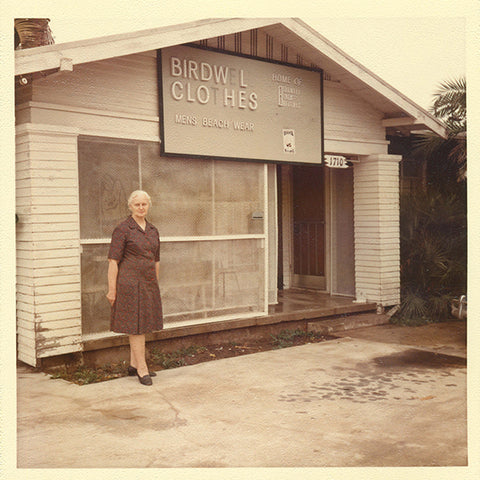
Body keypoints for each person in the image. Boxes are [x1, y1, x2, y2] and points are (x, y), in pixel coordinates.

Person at [106, 190, 163, 385]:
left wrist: (155, 284)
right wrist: (111, 289)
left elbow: (156, 260)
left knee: (142, 324)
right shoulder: (123, 229)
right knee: (136, 327)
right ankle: (142, 368)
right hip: (129, 284)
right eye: (137, 204)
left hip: (148, 284)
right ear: (130, 206)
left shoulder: (153, 230)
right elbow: (113, 261)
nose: (141, 208)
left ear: (148, 206)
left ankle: (133, 364)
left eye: (144, 204)